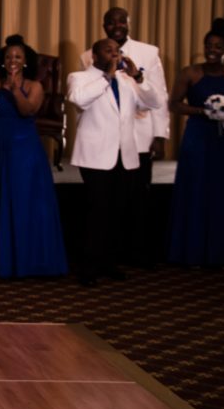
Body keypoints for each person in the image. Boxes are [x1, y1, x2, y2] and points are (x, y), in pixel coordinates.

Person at [0, 35, 67, 279]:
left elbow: (27, 110)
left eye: (18, 57)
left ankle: (27, 260)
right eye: (9, 56)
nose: (13, 60)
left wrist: (13, 89)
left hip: (24, 147)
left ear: (25, 61)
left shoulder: (34, 85)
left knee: (23, 198)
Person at [79, 7, 169, 267]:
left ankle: (135, 252)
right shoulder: (88, 55)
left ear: (129, 24)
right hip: (105, 140)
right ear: (104, 25)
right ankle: (107, 255)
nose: (117, 25)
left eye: (122, 21)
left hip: (139, 135)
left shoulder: (148, 52)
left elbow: (159, 96)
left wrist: (160, 134)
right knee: (108, 201)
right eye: (111, 22)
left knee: (137, 198)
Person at [68, 38, 162, 286]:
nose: (114, 54)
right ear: (94, 56)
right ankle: (88, 267)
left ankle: (109, 262)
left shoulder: (128, 81)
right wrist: (106, 77)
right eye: (108, 51)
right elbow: (79, 100)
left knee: (117, 212)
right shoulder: (79, 77)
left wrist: (139, 78)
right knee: (96, 211)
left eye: (116, 51)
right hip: (96, 157)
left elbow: (154, 102)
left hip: (126, 155)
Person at [167, 19, 224, 267]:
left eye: (218, 45)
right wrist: (201, 111)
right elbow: (174, 104)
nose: (212, 49)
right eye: (208, 45)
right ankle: (192, 250)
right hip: (198, 135)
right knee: (197, 187)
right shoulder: (190, 72)